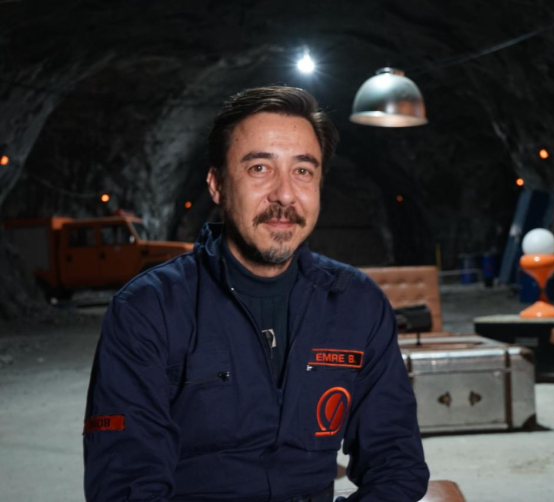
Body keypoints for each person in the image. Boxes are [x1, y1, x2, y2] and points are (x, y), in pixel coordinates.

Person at [83, 86, 430, 501]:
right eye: (260, 168)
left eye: (303, 171)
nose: (284, 194)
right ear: (217, 185)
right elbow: (125, 484)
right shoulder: (148, 309)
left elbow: (397, 461)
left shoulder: (357, 304)